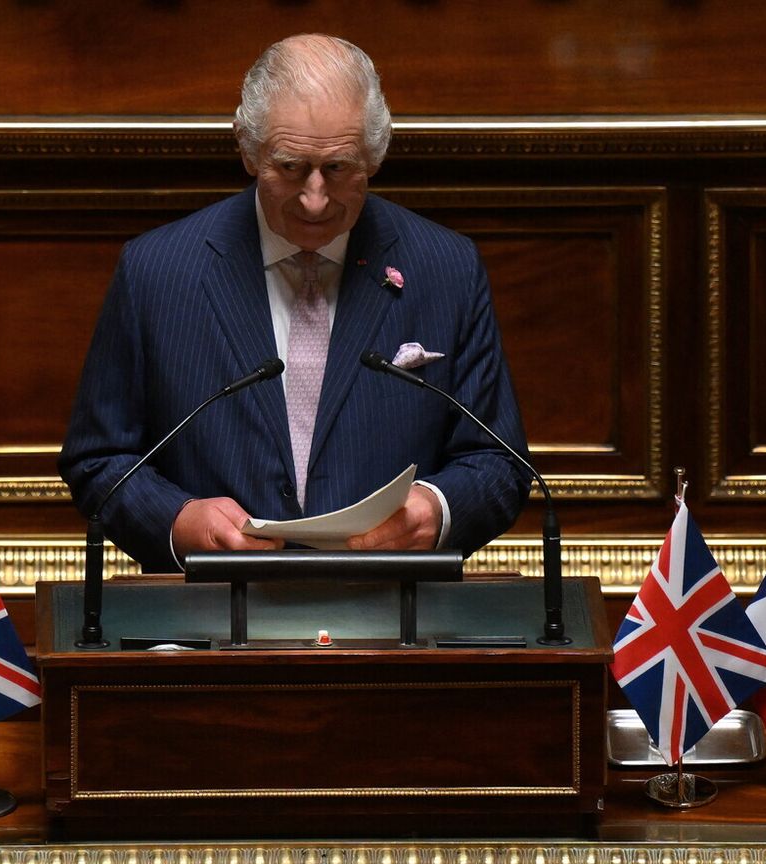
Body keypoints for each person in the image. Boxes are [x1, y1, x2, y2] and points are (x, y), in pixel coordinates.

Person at [59, 34, 529, 572]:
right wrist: (177, 520)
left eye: (338, 168)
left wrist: (436, 512)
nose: (314, 199)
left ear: (375, 155)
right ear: (247, 149)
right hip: (209, 619)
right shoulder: (158, 272)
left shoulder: (446, 268)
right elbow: (99, 461)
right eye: (289, 167)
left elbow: (500, 462)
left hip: (390, 615)